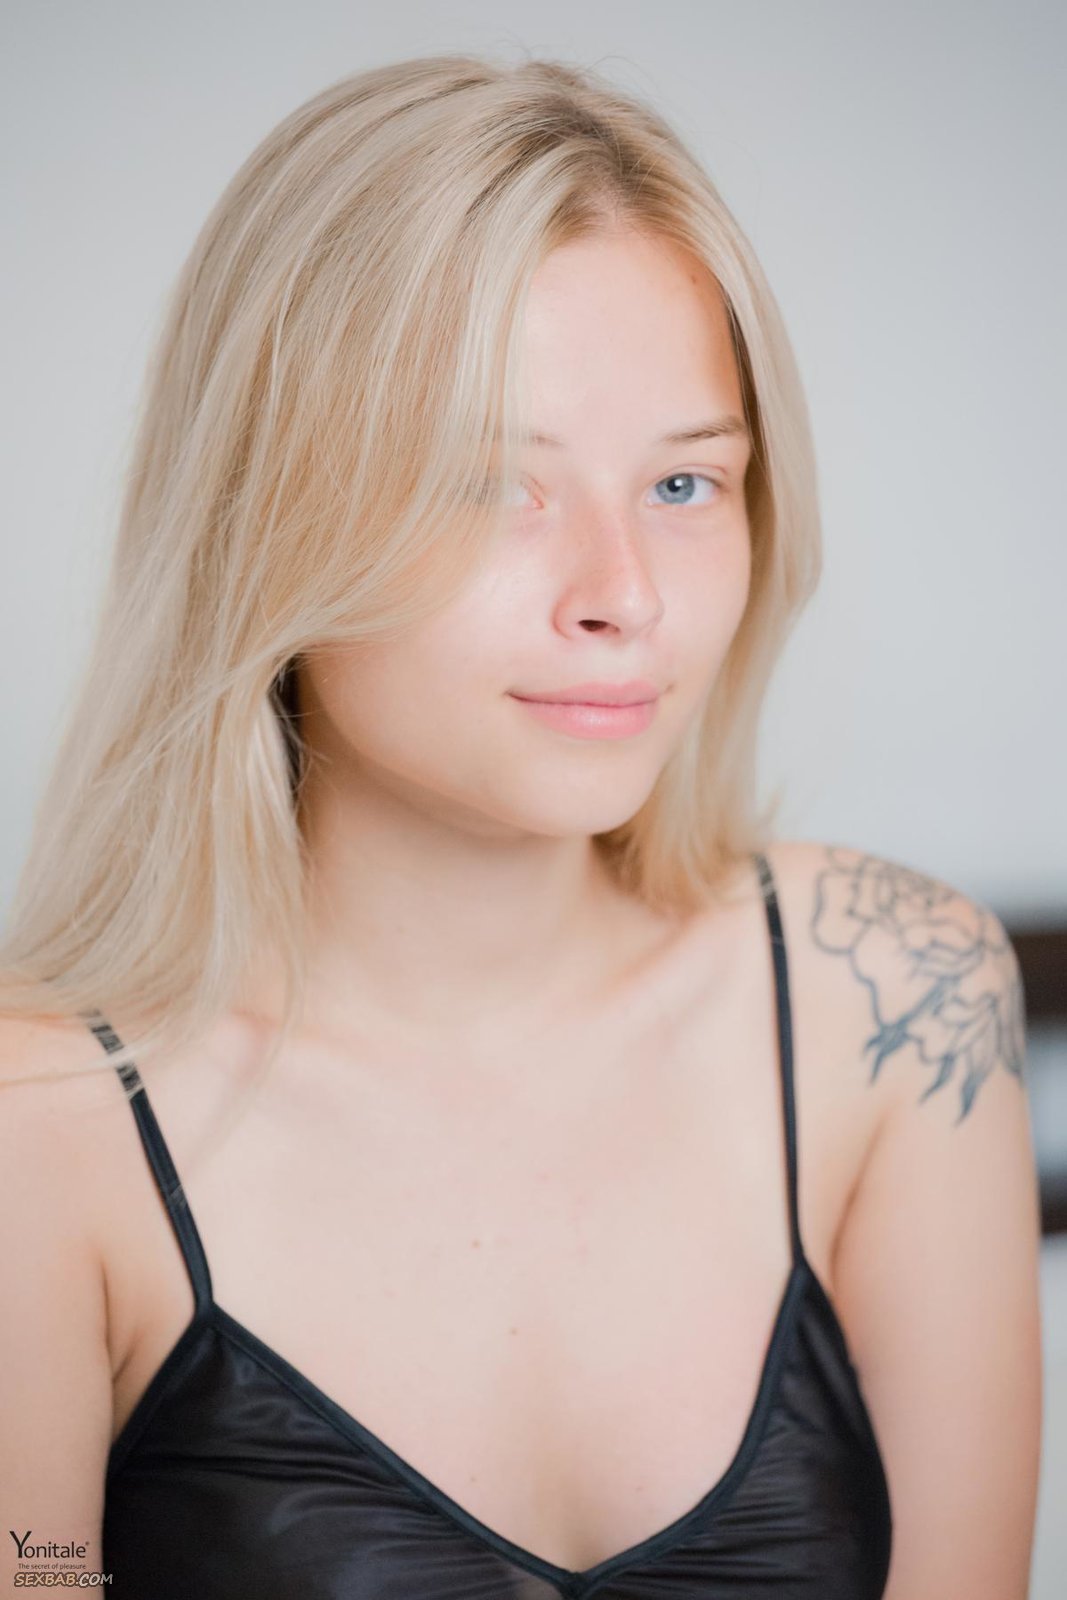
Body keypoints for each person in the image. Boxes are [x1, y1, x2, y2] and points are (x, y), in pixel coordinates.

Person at [0, 50, 1041, 1600]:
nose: (624, 594)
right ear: (264, 514)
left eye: (685, 485)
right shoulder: (38, 1126)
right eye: (495, 483)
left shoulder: (894, 1000)